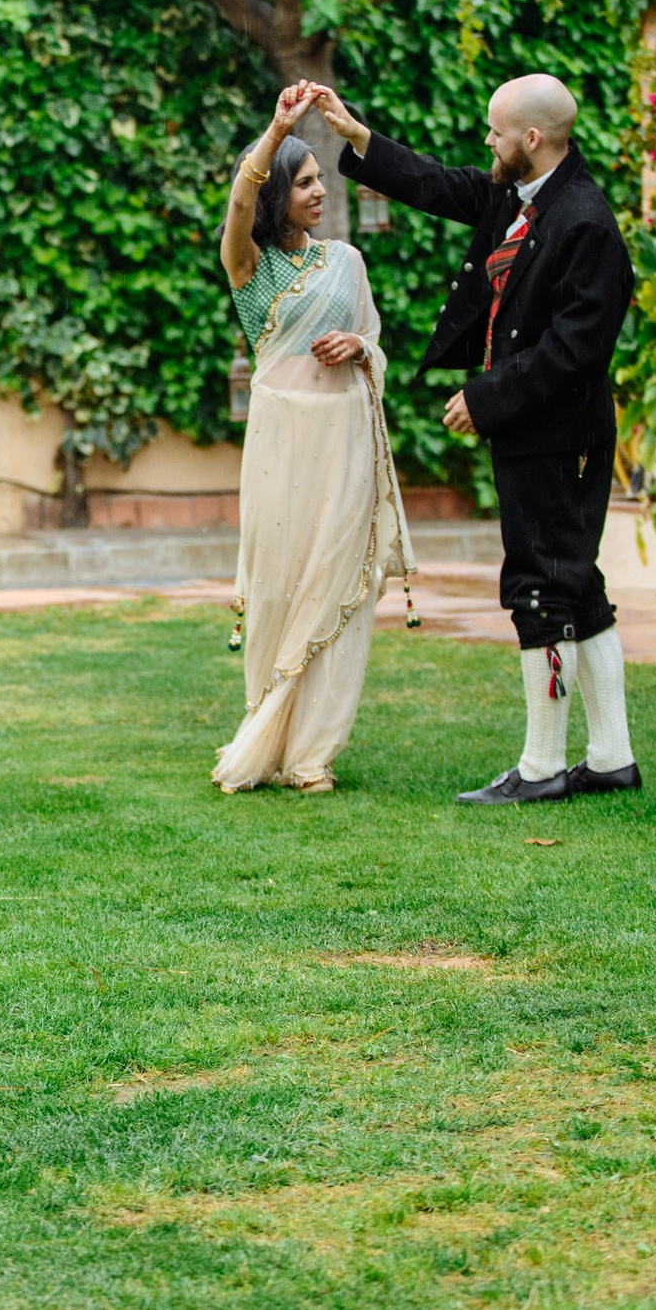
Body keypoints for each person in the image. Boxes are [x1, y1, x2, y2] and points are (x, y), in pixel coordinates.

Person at [307, 75, 641, 804]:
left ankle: (542, 768)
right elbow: (439, 184)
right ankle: (611, 758)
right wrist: (356, 135)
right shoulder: (521, 198)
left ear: (531, 139)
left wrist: (485, 399)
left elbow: (574, 349)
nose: (485, 143)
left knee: (542, 586)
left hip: (560, 433)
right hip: (539, 430)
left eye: (495, 132)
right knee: (575, 584)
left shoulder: (585, 223)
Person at [211, 84, 415, 794]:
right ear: (277, 197)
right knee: (276, 587)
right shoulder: (252, 268)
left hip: (343, 446)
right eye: (305, 183)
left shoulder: (347, 263)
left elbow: (377, 343)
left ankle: (311, 754)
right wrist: (275, 131)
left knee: (338, 588)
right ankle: (266, 727)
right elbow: (238, 206)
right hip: (279, 446)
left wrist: (358, 346)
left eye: (321, 178)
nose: (321, 191)